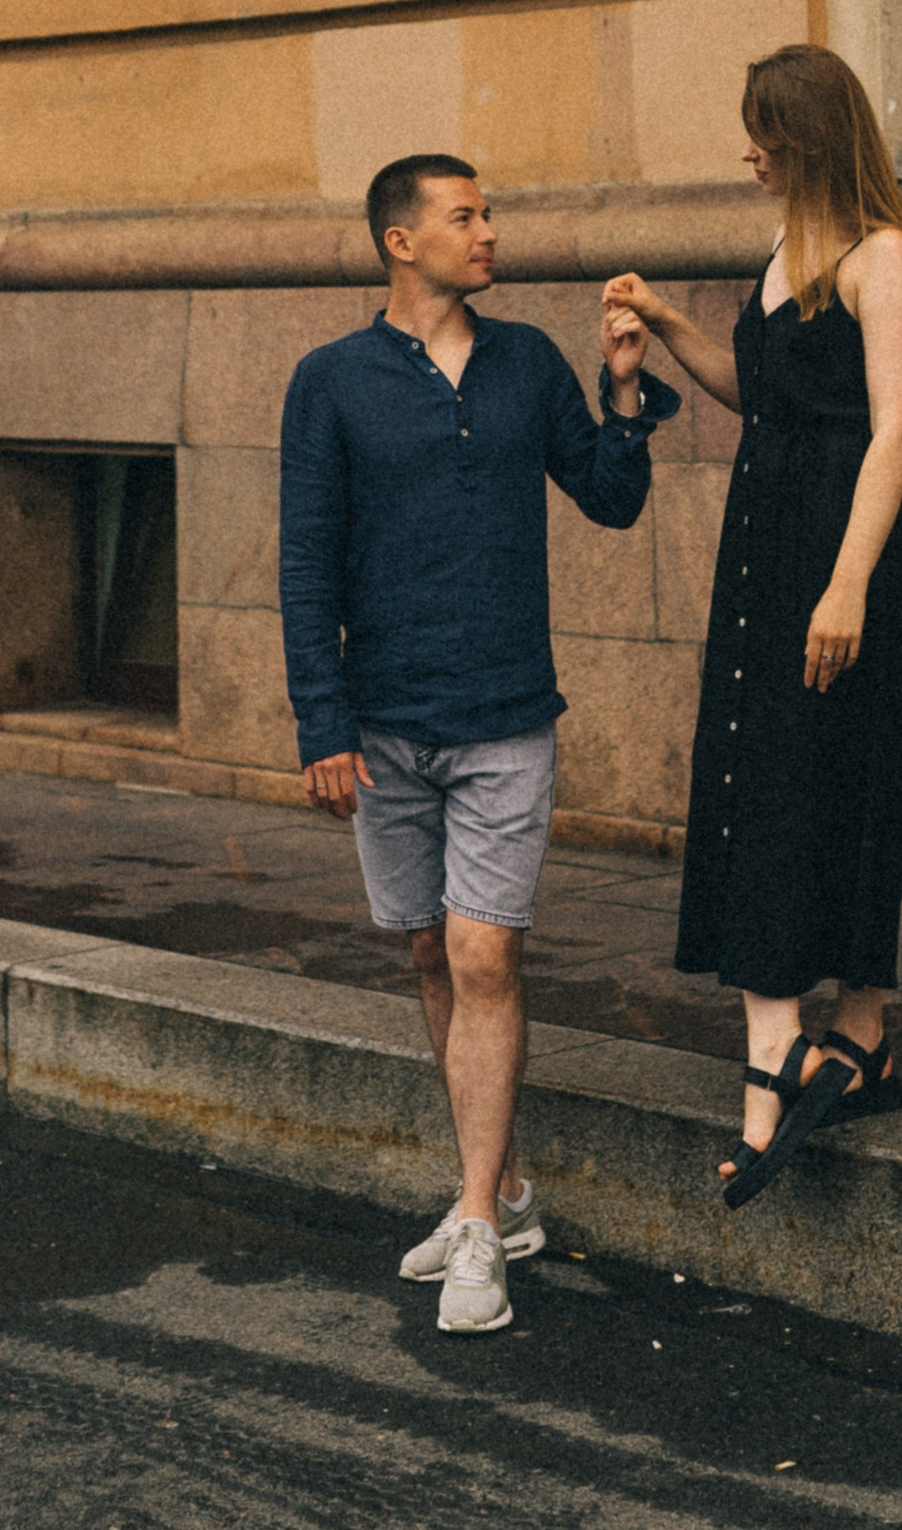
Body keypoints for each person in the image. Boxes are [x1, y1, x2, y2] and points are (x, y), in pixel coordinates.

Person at [279, 154, 678, 1334]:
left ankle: (471, 1228)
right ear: (402, 242)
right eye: (466, 216)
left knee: (484, 956)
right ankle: (502, 1188)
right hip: (386, 720)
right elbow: (306, 561)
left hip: (506, 713)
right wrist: (323, 720)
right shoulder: (332, 382)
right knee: (426, 958)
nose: (490, 231)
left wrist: (620, 393)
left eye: (490, 212)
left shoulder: (525, 365)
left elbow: (608, 498)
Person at [604, 44, 902, 1209]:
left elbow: (889, 431)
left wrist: (845, 586)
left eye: (759, 130)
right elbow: (761, 391)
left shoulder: (881, 256)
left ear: (803, 134)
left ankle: (830, 1040)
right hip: (767, 548)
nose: (745, 149)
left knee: (833, 782)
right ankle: (847, 1045)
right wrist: (663, 321)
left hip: (842, 555)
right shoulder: (781, 253)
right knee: (764, 779)